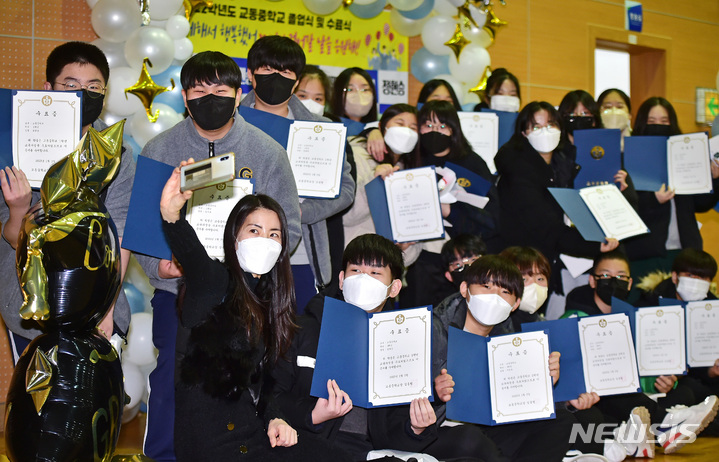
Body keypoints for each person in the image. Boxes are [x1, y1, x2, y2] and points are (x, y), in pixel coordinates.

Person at [134, 50, 302, 462]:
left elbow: (290, 227)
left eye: (221, 89)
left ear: (239, 91)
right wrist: (159, 265)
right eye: (199, 88)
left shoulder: (268, 151)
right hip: (179, 292)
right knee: (174, 382)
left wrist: (253, 266)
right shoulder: (160, 148)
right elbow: (139, 227)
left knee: (246, 385)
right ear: (185, 96)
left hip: (247, 295)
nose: (210, 96)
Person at [160, 164, 346, 460]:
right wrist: (172, 217)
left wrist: (275, 417)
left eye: (274, 234)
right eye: (254, 230)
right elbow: (193, 256)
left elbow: (267, 381)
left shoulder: (271, 301)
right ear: (235, 237)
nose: (264, 240)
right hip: (211, 443)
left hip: (252, 432)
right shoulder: (214, 282)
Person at [272, 233, 495, 462]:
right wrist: (313, 415)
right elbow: (272, 396)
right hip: (313, 443)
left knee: (471, 444)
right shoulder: (304, 327)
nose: (363, 279)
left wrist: (415, 427)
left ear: (394, 287)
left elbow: (394, 432)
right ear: (341, 279)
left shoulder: (403, 340)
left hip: (371, 450)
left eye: (375, 273)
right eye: (355, 271)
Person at [0, 41, 135, 361]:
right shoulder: (15, 145)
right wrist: (18, 208)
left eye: (93, 86)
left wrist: (106, 309)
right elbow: (9, 236)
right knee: (37, 406)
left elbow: (122, 238)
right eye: (70, 85)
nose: (82, 94)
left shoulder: (118, 153)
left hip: (97, 305)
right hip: (31, 308)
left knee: (94, 405)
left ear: (104, 92)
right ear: (48, 88)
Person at [564, 249, 719, 457]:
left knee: (674, 394)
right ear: (592, 280)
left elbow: (645, 370)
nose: (613, 281)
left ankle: (645, 435)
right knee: (603, 407)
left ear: (629, 283)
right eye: (606, 276)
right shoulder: (573, 317)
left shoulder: (635, 320)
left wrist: (666, 379)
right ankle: (663, 426)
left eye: (620, 276)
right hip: (585, 401)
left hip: (634, 399)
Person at [240, 35, 356, 311]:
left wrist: (303, 212)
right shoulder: (228, 122)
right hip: (238, 255)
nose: (276, 77)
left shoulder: (322, 129)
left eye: (286, 71)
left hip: (301, 257)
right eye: (267, 69)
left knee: (298, 345)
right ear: (250, 73)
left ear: (296, 80)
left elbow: (345, 189)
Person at [432, 255, 574, 461]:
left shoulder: (510, 343)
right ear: (465, 289)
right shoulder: (434, 330)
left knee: (561, 421)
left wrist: (542, 385)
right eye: (486, 286)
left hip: (491, 427)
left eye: (505, 292)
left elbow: (519, 406)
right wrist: (435, 392)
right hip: (441, 431)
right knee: (471, 439)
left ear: (515, 304)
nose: (495, 297)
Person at [494, 101, 619, 271]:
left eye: (551, 124)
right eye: (536, 127)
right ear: (523, 133)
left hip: (553, 260)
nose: (545, 131)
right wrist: (594, 245)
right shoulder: (518, 171)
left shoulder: (565, 164)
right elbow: (546, 227)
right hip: (521, 265)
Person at [624, 97, 719, 288]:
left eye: (664, 121)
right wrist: (653, 199)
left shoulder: (687, 153)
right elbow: (624, 209)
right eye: (651, 121)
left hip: (684, 250)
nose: (658, 126)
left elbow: (701, 203)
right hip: (644, 252)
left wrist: (714, 179)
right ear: (642, 123)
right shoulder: (629, 156)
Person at [343, 104, 419, 246]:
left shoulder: (412, 171)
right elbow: (347, 215)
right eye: (400, 123)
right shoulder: (356, 155)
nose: (406, 131)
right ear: (382, 126)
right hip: (355, 256)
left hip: (388, 262)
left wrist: (404, 247)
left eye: (413, 128)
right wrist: (375, 182)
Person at [499, 246, 551, 325]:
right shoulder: (492, 328)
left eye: (540, 279)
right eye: (524, 279)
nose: (534, 286)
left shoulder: (548, 327)